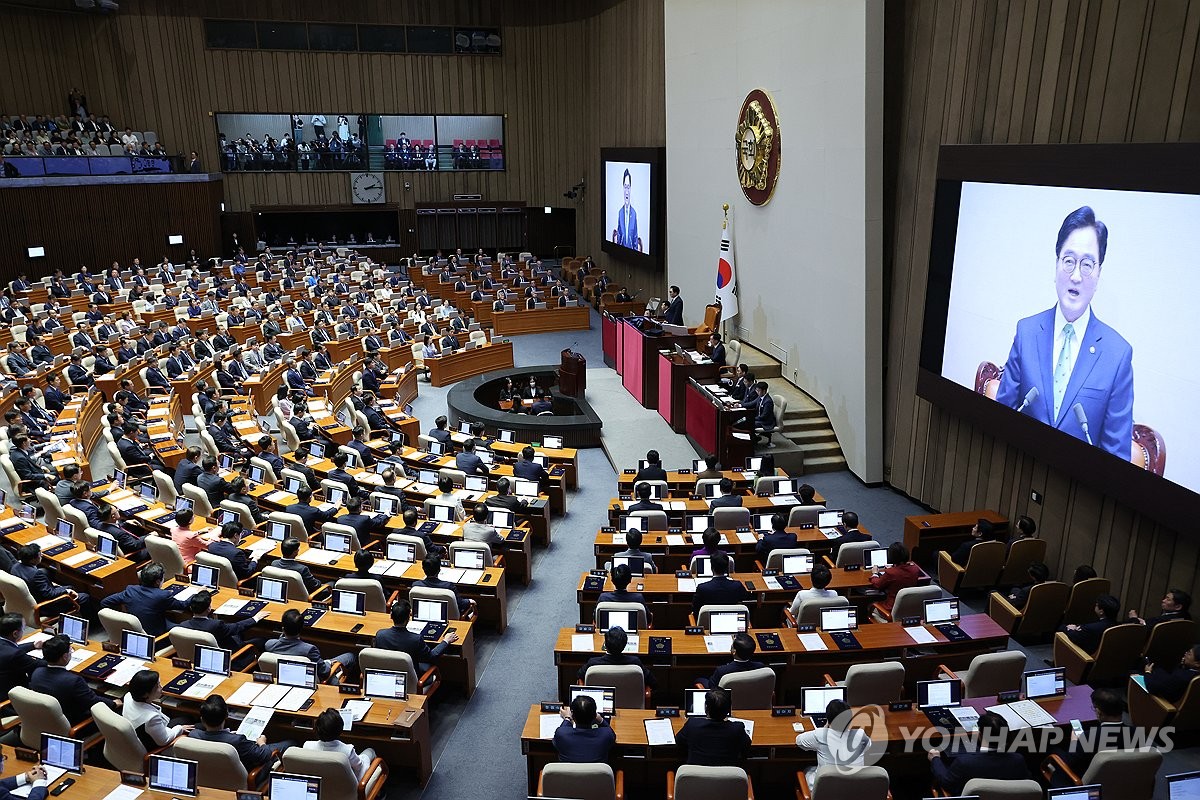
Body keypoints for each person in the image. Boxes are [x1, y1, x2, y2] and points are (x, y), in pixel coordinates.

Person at [993, 206, 1133, 458]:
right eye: (1068, 261)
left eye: (1087, 264)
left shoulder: (1117, 356)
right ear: (1056, 265)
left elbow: (1116, 460)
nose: (1076, 276)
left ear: (1099, 273)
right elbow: (1000, 420)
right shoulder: (1026, 332)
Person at [928, 711, 1030, 795]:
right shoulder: (1018, 760)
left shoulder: (964, 762)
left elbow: (946, 782)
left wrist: (935, 759)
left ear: (980, 735)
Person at [190, 694, 295, 771]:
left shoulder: (193, 735)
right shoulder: (237, 741)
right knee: (290, 743)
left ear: (202, 719)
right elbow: (264, 755)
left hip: (211, 776)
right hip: (248, 776)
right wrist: (262, 742)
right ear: (226, 715)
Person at [30, 635, 118, 723]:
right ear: (64, 656)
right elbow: (93, 701)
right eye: (70, 650)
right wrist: (114, 703)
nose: (71, 652)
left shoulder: (36, 672)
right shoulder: (73, 681)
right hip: (75, 721)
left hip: (48, 718)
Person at [267, 609, 357, 684]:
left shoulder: (270, 645)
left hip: (283, 681)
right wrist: (329, 662)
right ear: (301, 629)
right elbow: (324, 671)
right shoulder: (309, 650)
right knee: (350, 656)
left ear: (283, 629)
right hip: (316, 681)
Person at [795, 699, 871, 788]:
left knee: (807, 770)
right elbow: (868, 747)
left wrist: (825, 727)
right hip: (854, 791)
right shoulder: (860, 735)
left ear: (828, 719)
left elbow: (799, 741)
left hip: (824, 792)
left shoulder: (820, 735)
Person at [101, 563, 189, 637]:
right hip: (155, 635)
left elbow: (105, 602)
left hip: (134, 630)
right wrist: (197, 594)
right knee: (185, 629)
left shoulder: (131, 590)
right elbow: (183, 605)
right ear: (158, 581)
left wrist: (124, 617)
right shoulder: (163, 596)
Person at [373, 599, 459, 671]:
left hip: (388, 673)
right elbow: (432, 657)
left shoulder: (380, 635)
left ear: (391, 616)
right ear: (408, 619)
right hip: (412, 678)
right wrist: (446, 641)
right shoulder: (415, 639)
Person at [676, 688, 751, 766]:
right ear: (728, 709)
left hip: (696, 776)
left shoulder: (692, 725)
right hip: (727, 777)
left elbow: (679, 741)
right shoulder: (737, 729)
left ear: (706, 708)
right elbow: (746, 746)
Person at [123, 669, 194, 749]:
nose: (161, 687)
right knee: (190, 722)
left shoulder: (128, 696)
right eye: (157, 686)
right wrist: (180, 728)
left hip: (145, 732)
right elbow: (164, 740)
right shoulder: (151, 718)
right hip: (153, 745)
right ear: (146, 694)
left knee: (185, 719)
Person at [12, 544, 90, 616]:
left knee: (69, 586)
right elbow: (50, 594)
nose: (42, 555)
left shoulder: (15, 567)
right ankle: (94, 624)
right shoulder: (36, 574)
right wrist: (67, 591)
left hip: (30, 600)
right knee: (84, 597)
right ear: (32, 560)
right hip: (46, 606)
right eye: (39, 555)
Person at [178, 590, 267, 652]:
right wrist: (255, 618)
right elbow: (236, 627)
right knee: (261, 640)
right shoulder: (216, 625)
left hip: (203, 653)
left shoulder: (183, 625)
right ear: (209, 609)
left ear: (191, 608)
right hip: (230, 653)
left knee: (238, 634)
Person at [304, 708, 377, 780]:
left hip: (320, 786)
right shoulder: (347, 751)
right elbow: (359, 767)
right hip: (348, 788)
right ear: (340, 729)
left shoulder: (307, 746)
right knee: (370, 751)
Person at [577, 626, 656, 689]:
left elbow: (579, 675)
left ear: (605, 645)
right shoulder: (635, 662)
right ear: (624, 645)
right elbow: (653, 682)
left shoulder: (593, 663)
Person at [552, 693, 616, 763]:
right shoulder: (606, 735)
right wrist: (600, 720)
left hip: (568, 773)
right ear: (595, 715)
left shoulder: (561, 734)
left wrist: (567, 718)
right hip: (595, 773)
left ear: (572, 714)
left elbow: (563, 731)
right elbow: (610, 732)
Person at [868, 542, 922, 614]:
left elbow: (878, 584)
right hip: (909, 607)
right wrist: (894, 567)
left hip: (891, 608)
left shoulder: (891, 573)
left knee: (869, 605)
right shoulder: (915, 569)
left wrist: (875, 573)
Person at [0, 613, 43, 701]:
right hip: (12, 698)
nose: (24, 631)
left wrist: (33, 645)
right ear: (15, 634)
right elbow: (38, 664)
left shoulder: (8, 648)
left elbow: (9, 648)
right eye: (23, 628)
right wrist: (57, 651)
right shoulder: (15, 654)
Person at [700, 632, 765, 689]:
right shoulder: (760, 667)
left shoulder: (722, 671)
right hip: (751, 699)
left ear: (734, 651)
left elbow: (712, 688)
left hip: (727, 701)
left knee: (700, 680)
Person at [692, 552, 749, 616]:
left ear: (711, 568)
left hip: (706, 623)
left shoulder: (702, 588)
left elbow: (695, 610)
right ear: (727, 567)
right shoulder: (737, 586)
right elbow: (746, 599)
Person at [613, 169, 639, 250]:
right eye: (625, 187)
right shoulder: (620, 212)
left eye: (628, 187)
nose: (626, 191)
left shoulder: (634, 213)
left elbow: (635, 238)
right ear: (622, 188)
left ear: (630, 188)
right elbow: (619, 237)